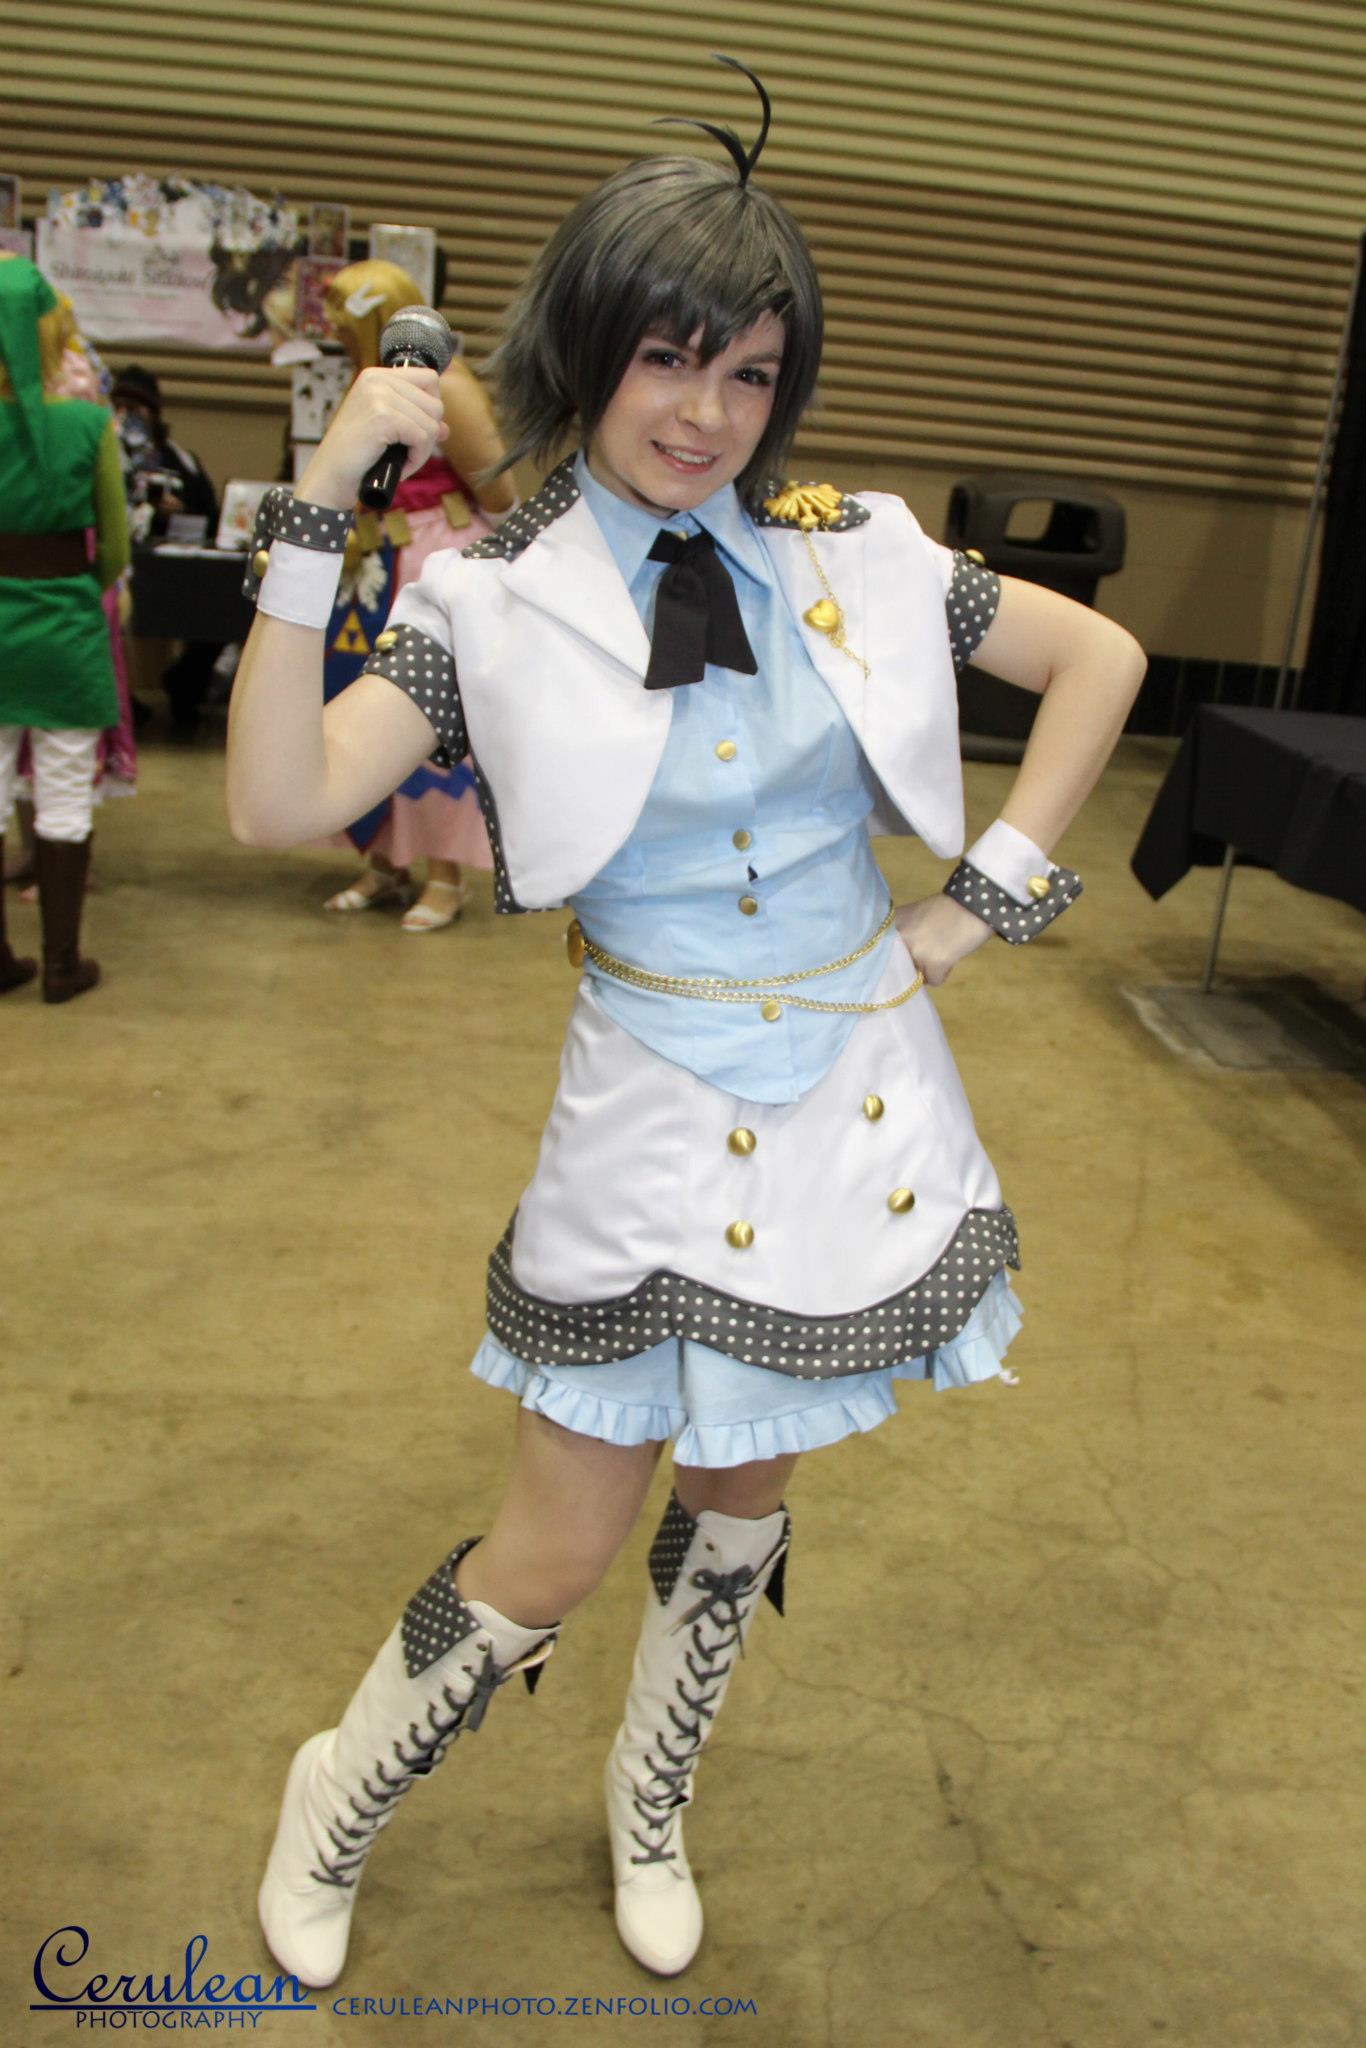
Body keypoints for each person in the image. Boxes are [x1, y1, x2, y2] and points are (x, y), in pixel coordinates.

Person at [227, 59, 1145, 1987]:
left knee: (740, 1509)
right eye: (667, 359)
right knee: (553, 1548)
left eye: (748, 372)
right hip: (645, 1111)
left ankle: (650, 1800)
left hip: (849, 1107)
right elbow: (276, 802)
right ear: (590, 350)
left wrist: (974, 907)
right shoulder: (489, 602)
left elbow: (1099, 655)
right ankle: (335, 1791)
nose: (705, 413)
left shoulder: (850, 547)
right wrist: (320, 504)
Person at [312, 259, 509, 931]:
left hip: (432, 556)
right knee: (361, 710)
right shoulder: (366, 383)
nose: (333, 333)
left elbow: (497, 484)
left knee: (430, 717)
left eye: (342, 322)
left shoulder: (446, 383)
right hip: (370, 563)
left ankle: (444, 873)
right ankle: (384, 860)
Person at [0, 255, 128, 1002]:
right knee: (64, 794)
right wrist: (83, 587)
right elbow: (114, 546)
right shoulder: (87, 423)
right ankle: (60, 964)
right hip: (65, 629)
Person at [110, 363, 221, 734]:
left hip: (181, 567)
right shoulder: (105, 454)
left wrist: (181, 510)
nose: (126, 416)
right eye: (118, 407)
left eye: (135, 408)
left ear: (154, 414)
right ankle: (121, 702)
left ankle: (185, 687)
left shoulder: (180, 460)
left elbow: (212, 514)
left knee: (221, 604)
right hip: (127, 562)